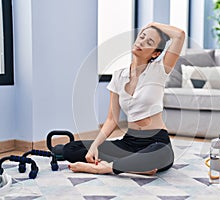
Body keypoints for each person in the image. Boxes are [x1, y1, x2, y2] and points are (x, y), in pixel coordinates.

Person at [63, 22, 185, 175]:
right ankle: (137, 166)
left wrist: (152, 24)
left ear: (155, 53)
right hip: (128, 142)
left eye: (149, 42)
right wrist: (94, 145)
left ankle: (105, 168)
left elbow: (179, 35)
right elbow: (111, 120)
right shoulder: (118, 76)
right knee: (70, 149)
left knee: (160, 154)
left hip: (156, 141)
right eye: (141, 37)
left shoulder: (160, 70)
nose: (141, 42)